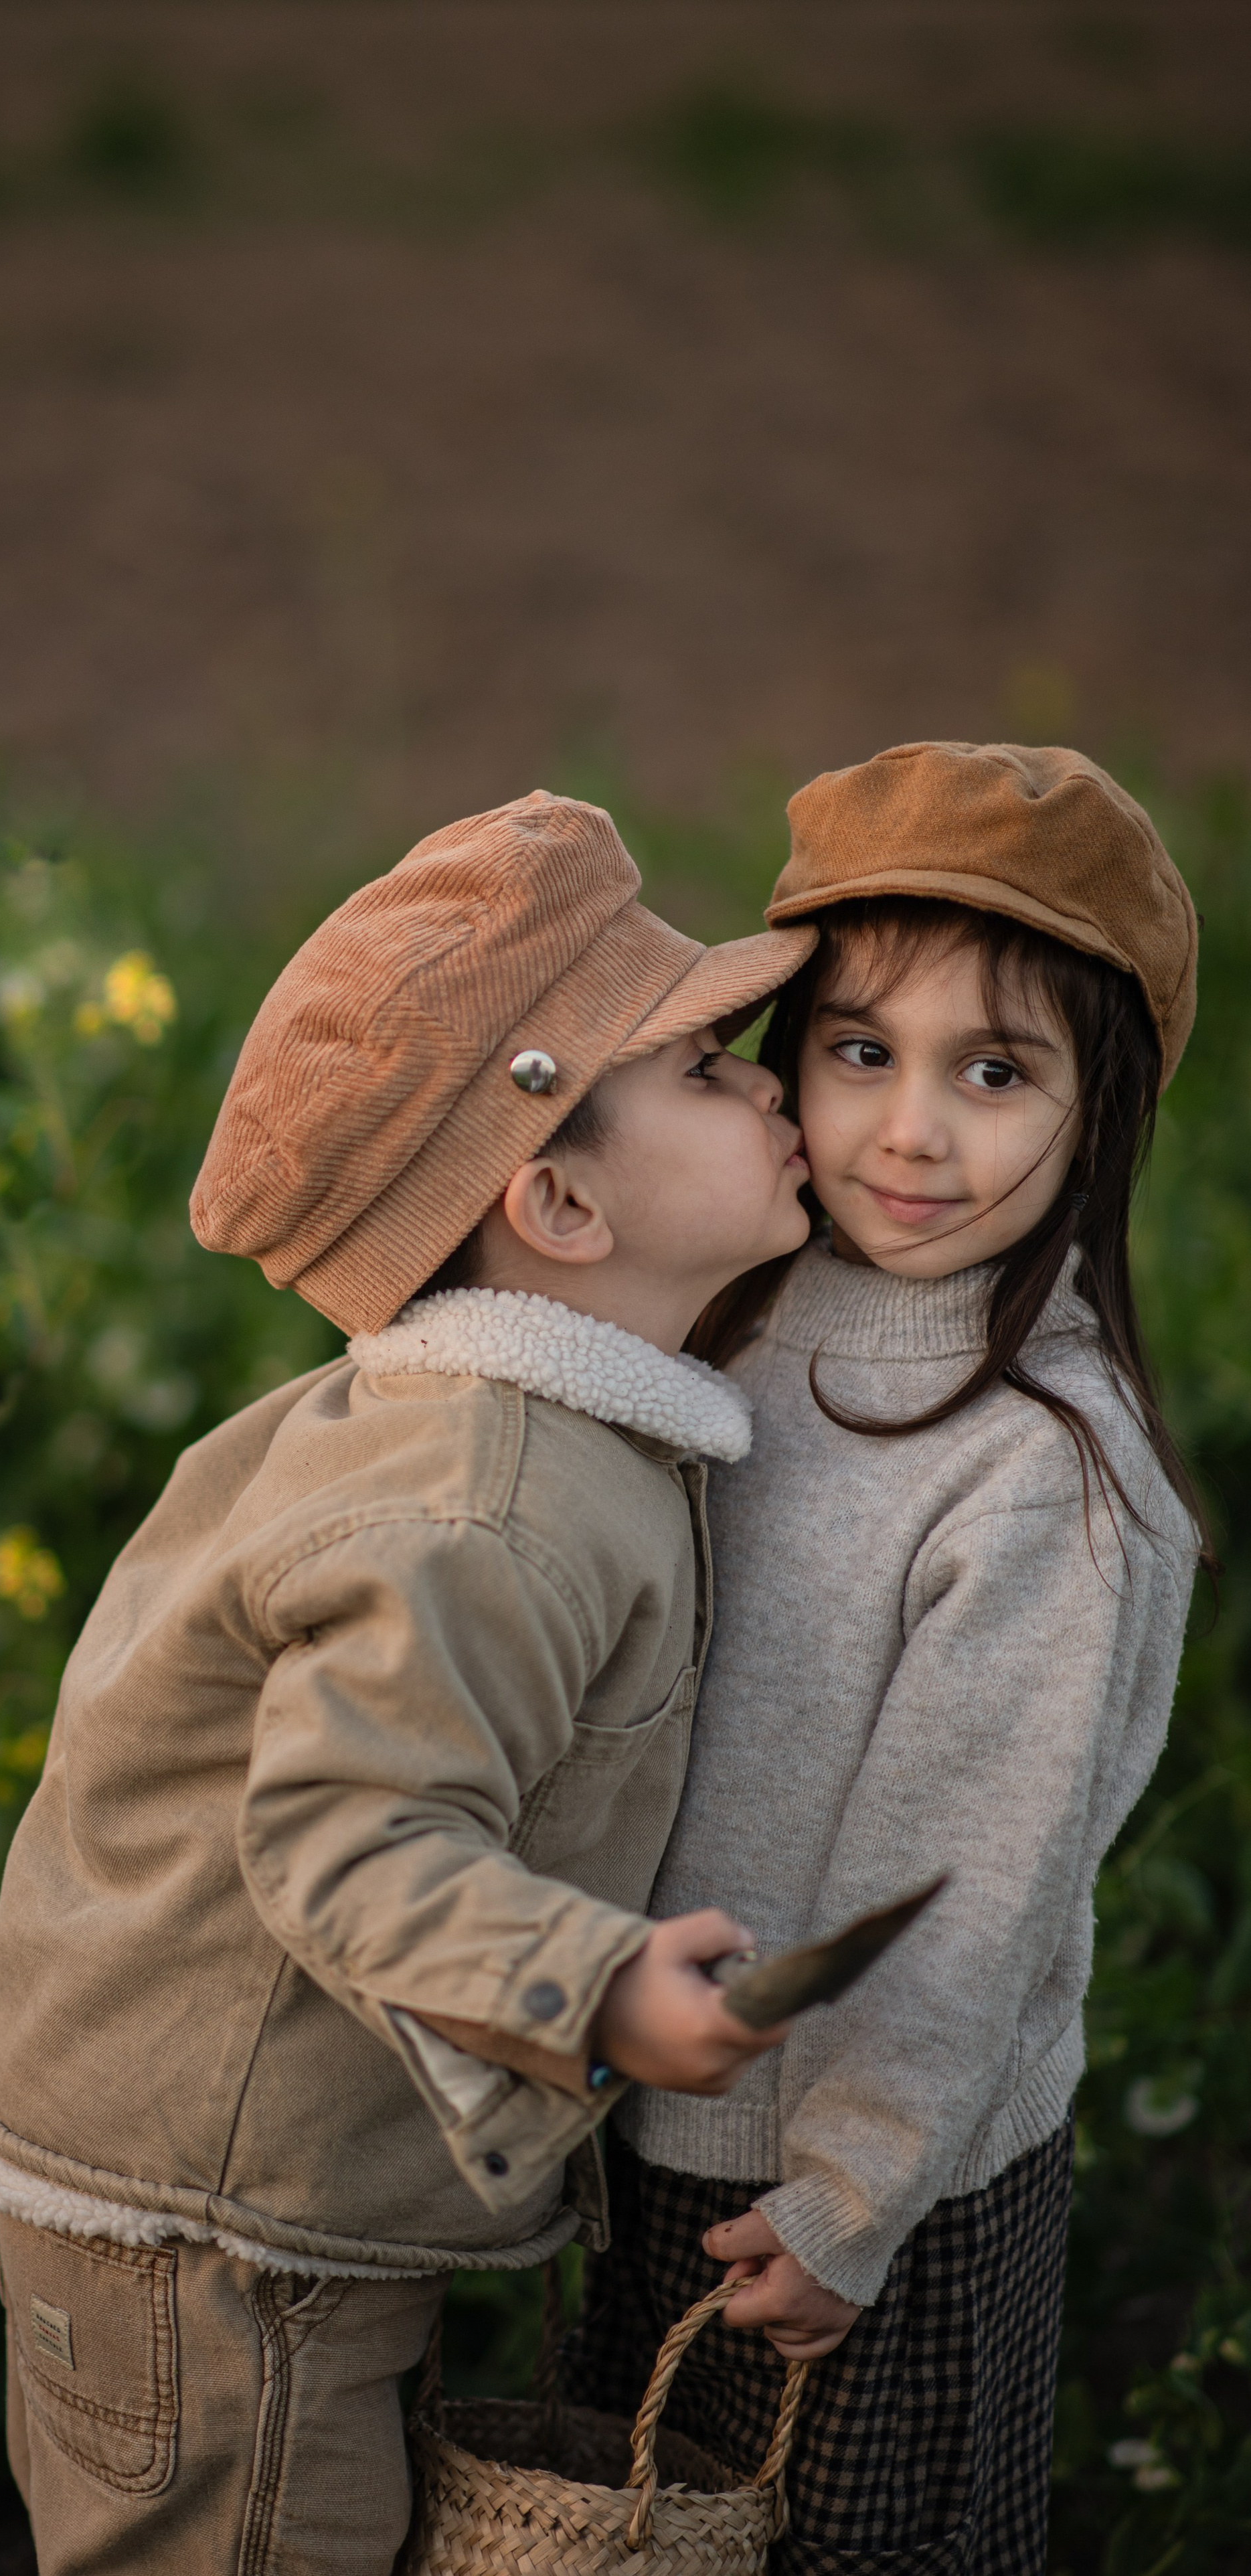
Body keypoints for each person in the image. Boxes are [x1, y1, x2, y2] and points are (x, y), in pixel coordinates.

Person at [0, 789, 819, 2576]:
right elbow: (350, 1837)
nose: (770, 1084)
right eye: (706, 1068)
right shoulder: (485, 1505)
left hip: (235, 2193)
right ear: (561, 1202)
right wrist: (594, 1986)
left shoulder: (528, 1440)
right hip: (214, 2240)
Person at [570, 742, 1207, 2575]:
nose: (911, 1133)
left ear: (1104, 1107)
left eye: (994, 1073)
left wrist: (847, 2194)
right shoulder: (737, 1309)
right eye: (861, 1052)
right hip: (655, 2125)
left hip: (867, 2200)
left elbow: (967, 1881)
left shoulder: (1042, 1474)